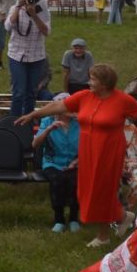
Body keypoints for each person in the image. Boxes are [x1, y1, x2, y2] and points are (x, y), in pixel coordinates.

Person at [19, 65, 137, 247]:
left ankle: (103, 236)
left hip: (109, 153)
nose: (88, 82)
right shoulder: (84, 97)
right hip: (88, 152)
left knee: (103, 192)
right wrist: (33, 115)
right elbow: (59, 105)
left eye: (92, 79)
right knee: (88, 190)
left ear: (105, 82)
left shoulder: (122, 100)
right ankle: (123, 216)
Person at [5, 0, 53, 119]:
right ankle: (14, 121)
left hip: (36, 56)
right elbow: (8, 26)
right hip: (16, 54)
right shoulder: (16, 7)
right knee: (19, 91)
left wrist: (34, 15)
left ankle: (27, 120)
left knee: (31, 92)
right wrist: (18, 6)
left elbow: (47, 32)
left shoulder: (42, 9)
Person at [34, 99, 82, 232]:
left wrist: (76, 162)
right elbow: (35, 144)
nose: (74, 109)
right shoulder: (47, 121)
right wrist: (49, 129)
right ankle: (59, 219)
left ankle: (73, 218)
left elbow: (89, 146)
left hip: (75, 162)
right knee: (57, 179)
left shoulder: (80, 122)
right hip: (52, 163)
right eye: (69, 107)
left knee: (75, 179)